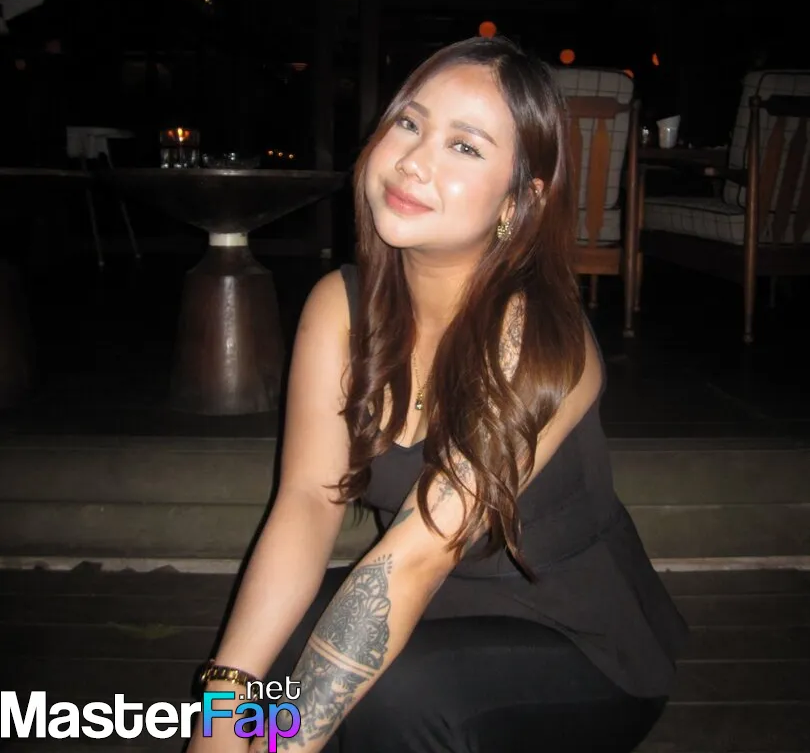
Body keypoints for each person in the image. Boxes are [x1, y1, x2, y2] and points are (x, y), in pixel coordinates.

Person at [189, 37, 689, 753]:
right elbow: (305, 502)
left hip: (576, 636)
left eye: (464, 146)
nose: (414, 161)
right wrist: (222, 705)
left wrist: (278, 748)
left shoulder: (539, 341)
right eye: (409, 123)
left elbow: (416, 560)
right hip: (440, 601)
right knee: (279, 650)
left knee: (392, 697)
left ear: (520, 200)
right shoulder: (340, 306)